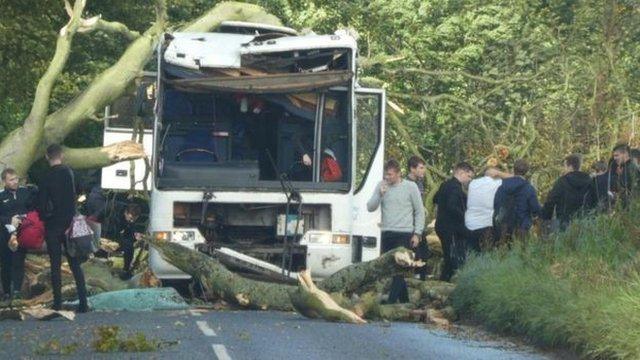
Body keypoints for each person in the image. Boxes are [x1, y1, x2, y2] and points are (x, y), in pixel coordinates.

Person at [37, 144, 88, 312]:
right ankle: (83, 303)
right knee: (75, 263)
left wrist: (45, 218)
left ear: (47, 157)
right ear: (62, 156)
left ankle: (57, 303)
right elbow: (81, 190)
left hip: (53, 226)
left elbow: (41, 204)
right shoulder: (71, 173)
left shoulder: (45, 177)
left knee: (55, 265)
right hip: (70, 225)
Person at [367, 159, 425, 303]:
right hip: (387, 232)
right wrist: (379, 194)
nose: (388, 177)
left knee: (399, 268)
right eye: (386, 174)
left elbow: (419, 211)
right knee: (391, 269)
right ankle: (405, 303)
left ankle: (391, 302)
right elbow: (370, 207)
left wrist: (417, 233)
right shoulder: (381, 185)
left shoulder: (410, 187)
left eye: (391, 175)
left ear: (399, 173)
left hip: (404, 232)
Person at [433, 162, 474, 282]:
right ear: (461, 173)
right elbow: (452, 207)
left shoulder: (445, 185)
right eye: (469, 176)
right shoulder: (455, 187)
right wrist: (465, 216)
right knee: (453, 257)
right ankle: (447, 282)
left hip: (441, 225)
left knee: (448, 257)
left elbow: (436, 199)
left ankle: (444, 281)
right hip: (450, 228)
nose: (469, 180)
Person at [0, 169, 37, 299]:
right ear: (4, 181)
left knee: (19, 261)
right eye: (11, 179)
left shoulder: (25, 192)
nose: (15, 182)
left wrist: (24, 217)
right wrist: (9, 220)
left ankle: (16, 291)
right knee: (5, 263)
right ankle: (5, 292)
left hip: (23, 232)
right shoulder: (1, 196)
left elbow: (33, 210)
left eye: (16, 179)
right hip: (5, 234)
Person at [493, 159, 542, 244]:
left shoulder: (502, 186)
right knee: (521, 253)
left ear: (513, 170)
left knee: (504, 253)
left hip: (504, 228)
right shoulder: (529, 188)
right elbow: (535, 209)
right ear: (527, 171)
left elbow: (496, 204)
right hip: (522, 227)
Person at [541, 154, 592, 231]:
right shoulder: (589, 181)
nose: (564, 169)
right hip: (585, 221)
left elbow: (551, 200)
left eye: (565, 166)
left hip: (564, 222)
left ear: (570, 167)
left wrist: (545, 217)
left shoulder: (562, 181)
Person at [465, 166, 503, 253]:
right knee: (488, 252)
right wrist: (501, 174)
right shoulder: (498, 182)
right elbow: (517, 178)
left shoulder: (473, 183)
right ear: (495, 174)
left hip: (470, 224)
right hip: (486, 224)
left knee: (473, 252)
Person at [405, 156, 429, 280]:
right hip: (411, 224)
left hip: (420, 223)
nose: (423, 170)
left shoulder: (420, 182)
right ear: (412, 169)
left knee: (425, 251)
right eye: (421, 168)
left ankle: (422, 278)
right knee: (416, 251)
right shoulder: (406, 183)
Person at [116, 203, 145, 279]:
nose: (132, 221)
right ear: (126, 213)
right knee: (128, 245)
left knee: (129, 246)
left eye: (134, 219)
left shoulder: (131, 220)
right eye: (130, 218)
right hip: (111, 232)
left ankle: (126, 269)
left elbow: (131, 230)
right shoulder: (116, 214)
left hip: (124, 234)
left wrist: (136, 236)